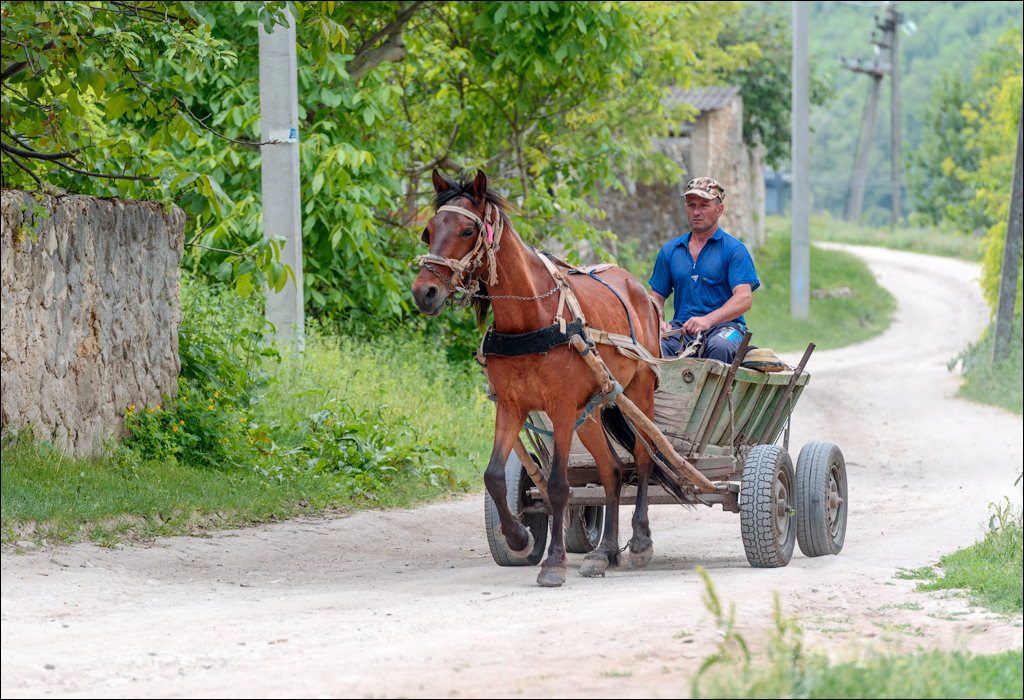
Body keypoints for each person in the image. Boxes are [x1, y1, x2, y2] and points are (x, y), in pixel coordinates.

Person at [649, 177, 760, 363]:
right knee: (653, 346)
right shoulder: (670, 250)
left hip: (727, 329)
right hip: (683, 329)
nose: (696, 212)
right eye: (691, 205)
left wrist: (707, 320)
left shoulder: (734, 250)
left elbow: (744, 298)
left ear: (719, 210)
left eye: (704, 205)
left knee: (719, 347)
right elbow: (656, 298)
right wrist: (657, 321)